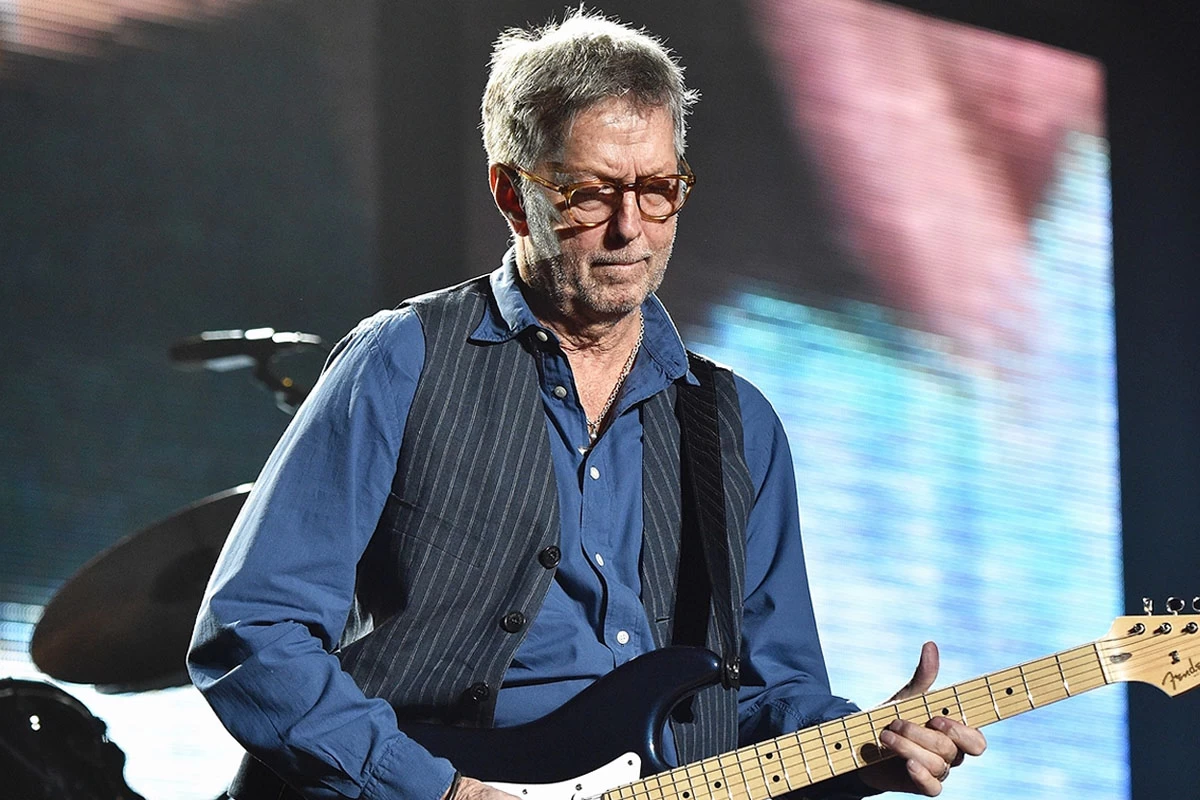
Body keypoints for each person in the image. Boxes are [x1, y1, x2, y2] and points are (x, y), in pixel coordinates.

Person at [187, 10, 986, 800]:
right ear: (512, 194)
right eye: (589, 194)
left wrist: (860, 752)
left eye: (657, 190)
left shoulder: (739, 425)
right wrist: (438, 791)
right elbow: (254, 631)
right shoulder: (402, 358)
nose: (629, 229)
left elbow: (762, 699)